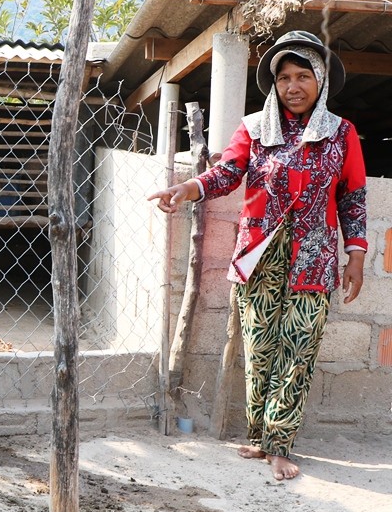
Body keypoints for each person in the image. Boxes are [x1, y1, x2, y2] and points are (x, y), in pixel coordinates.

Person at [147, 31, 367, 481]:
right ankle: (259, 436)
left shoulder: (342, 134)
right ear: (273, 84)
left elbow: (353, 199)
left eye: (303, 75)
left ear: (320, 80)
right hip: (258, 256)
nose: (293, 85)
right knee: (261, 348)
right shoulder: (253, 127)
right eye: (284, 77)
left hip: (314, 258)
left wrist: (356, 255)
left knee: (299, 348)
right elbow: (227, 173)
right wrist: (187, 188)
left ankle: (281, 445)